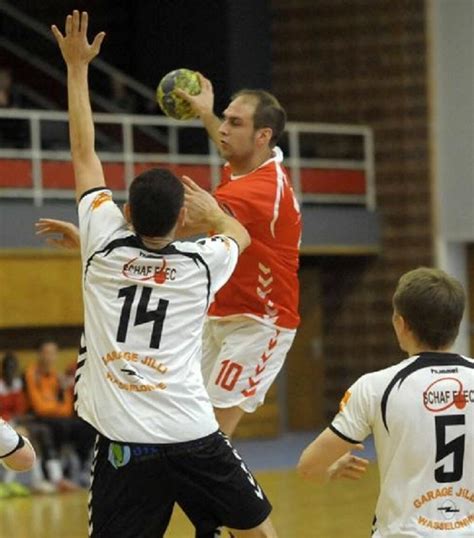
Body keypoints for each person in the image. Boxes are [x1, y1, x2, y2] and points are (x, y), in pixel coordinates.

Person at [49, 11, 276, 537]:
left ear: (124, 212)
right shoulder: (201, 264)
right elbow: (239, 236)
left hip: (125, 440)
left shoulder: (102, 247)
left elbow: (84, 154)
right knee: (258, 530)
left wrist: (77, 69)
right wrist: (215, 217)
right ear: (181, 219)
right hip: (193, 430)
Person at [38, 74, 302, 441]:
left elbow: (166, 226)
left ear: (263, 137)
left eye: (234, 123)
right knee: (182, 424)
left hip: (260, 323)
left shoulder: (259, 191)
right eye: (224, 119)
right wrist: (206, 114)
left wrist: (97, 242)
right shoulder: (252, 163)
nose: (223, 129)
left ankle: (209, 495)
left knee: (212, 438)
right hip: (220, 312)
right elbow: (228, 148)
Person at [298, 267, 474, 537]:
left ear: (400, 323)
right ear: (457, 322)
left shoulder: (375, 387)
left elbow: (309, 467)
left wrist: (332, 468)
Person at [24, 339, 94, 489]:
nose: (49, 357)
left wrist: (54, 407)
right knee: (49, 430)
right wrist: (56, 407)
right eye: (46, 353)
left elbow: (68, 408)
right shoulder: (31, 374)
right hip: (33, 419)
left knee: (86, 426)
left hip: (57, 419)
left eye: (53, 353)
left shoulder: (57, 376)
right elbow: (39, 408)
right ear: (39, 355)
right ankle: (56, 477)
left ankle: (82, 469)